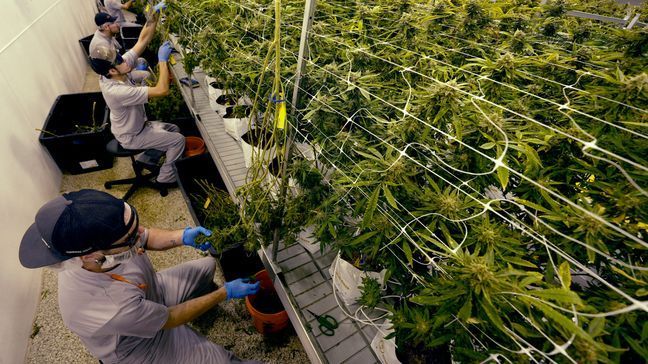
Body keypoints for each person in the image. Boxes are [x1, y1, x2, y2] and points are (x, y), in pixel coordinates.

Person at [19, 189, 263, 363]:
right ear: (92, 256)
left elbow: (144, 235)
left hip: (151, 293)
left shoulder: (100, 241)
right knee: (220, 359)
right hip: (139, 345)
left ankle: (200, 308)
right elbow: (170, 318)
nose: (139, 239)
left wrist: (183, 236)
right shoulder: (107, 304)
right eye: (130, 239)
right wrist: (224, 293)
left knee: (207, 266)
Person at [89, 37, 183, 186]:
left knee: (173, 128)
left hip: (138, 126)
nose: (125, 60)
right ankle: (165, 178)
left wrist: (153, 17)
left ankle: (145, 159)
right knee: (178, 140)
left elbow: (142, 41)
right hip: (132, 135)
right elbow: (162, 90)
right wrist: (162, 60)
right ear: (112, 70)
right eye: (120, 61)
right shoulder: (116, 91)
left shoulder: (113, 71)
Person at [89, 10, 162, 84]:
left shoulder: (106, 35)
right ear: (106, 27)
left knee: (141, 60)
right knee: (146, 75)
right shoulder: (101, 46)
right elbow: (114, 68)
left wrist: (153, 16)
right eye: (114, 23)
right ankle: (141, 91)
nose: (117, 24)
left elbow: (142, 41)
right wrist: (126, 69)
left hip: (117, 63)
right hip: (115, 76)